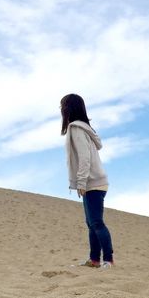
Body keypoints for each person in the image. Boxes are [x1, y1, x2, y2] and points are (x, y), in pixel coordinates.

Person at [61, 94, 114, 269]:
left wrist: (81, 182)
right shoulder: (83, 129)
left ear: (69, 108)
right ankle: (94, 260)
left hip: (93, 183)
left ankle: (108, 260)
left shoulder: (76, 129)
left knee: (96, 223)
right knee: (91, 223)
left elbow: (85, 158)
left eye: (63, 106)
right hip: (97, 181)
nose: (61, 109)